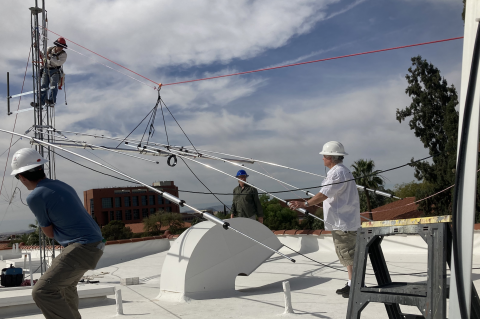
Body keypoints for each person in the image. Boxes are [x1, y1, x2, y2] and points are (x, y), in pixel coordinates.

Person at [11, 148, 104, 319]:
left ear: (22, 177)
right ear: (41, 168)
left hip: (82, 246)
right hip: (95, 244)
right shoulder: (62, 185)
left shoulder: (35, 196)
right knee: (64, 287)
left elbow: (50, 233)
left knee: (42, 291)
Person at [289, 141, 360, 298]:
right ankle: (352, 283)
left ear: (330, 157)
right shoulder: (342, 171)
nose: (322, 159)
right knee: (348, 255)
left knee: (347, 254)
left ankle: (355, 285)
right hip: (345, 221)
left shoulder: (337, 173)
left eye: (324, 156)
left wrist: (305, 203)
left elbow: (323, 194)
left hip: (343, 222)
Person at [33, 37, 68, 107]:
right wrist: (37, 48)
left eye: (62, 47)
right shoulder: (49, 49)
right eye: (60, 46)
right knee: (43, 86)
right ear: (56, 45)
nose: (61, 48)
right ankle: (41, 103)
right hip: (46, 69)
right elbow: (42, 56)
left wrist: (50, 58)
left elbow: (58, 63)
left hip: (55, 70)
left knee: (53, 85)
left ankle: (52, 101)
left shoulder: (63, 54)